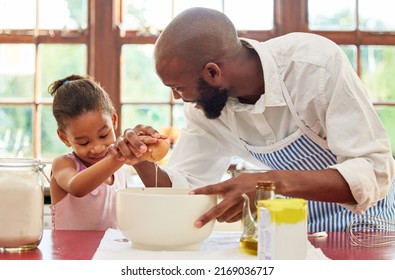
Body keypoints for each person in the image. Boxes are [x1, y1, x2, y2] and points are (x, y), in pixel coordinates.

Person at [114, 7, 395, 232]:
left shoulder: (313, 66)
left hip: (368, 229)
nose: (177, 97)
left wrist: (269, 183)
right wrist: (142, 162)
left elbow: (374, 170)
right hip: (296, 235)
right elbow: (188, 188)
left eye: (178, 87)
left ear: (213, 73)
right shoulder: (205, 111)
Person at [48, 74, 127, 230]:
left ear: (114, 119)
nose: (97, 147)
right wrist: (118, 158)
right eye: (83, 142)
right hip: (70, 253)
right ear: (64, 138)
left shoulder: (118, 167)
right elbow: (76, 187)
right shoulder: (64, 164)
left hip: (108, 253)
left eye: (103, 135)